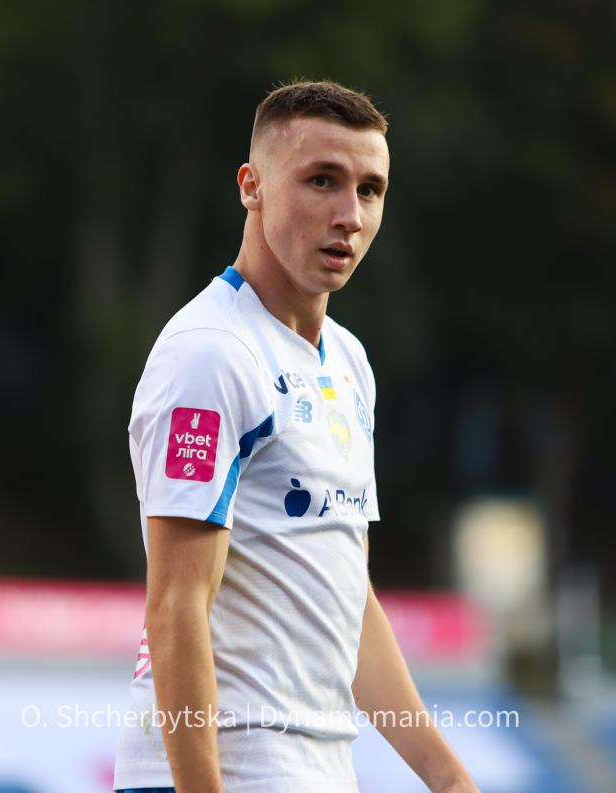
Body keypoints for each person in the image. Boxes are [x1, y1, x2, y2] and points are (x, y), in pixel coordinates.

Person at [114, 80, 481, 793]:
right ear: (251, 186)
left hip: (321, 771)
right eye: (322, 181)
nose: (350, 215)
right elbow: (176, 604)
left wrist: (451, 781)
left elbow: (348, 601)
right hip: (227, 772)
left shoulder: (348, 362)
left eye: (370, 190)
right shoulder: (212, 353)